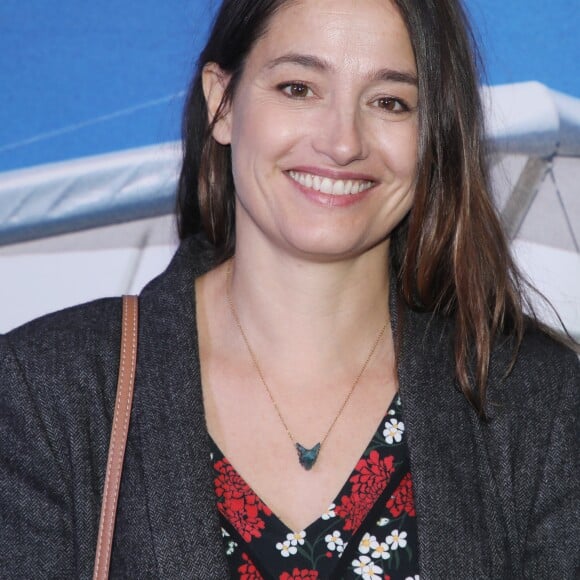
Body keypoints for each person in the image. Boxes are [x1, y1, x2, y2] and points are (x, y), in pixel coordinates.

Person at [1, 0, 578, 578]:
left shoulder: (537, 406)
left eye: (389, 102)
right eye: (299, 88)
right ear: (221, 103)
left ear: (434, 136)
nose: (343, 141)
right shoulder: (44, 391)